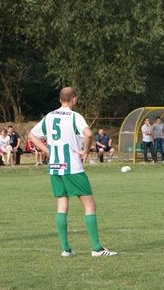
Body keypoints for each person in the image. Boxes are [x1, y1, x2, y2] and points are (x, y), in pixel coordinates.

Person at [28, 87, 117, 258]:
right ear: (74, 99)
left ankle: (65, 249)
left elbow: (32, 135)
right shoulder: (75, 116)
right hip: (72, 167)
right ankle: (96, 248)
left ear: (60, 99)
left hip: (55, 167)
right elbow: (88, 134)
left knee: (62, 205)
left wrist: (48, 151)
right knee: (89, 205)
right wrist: (85, 151)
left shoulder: (50, 116)